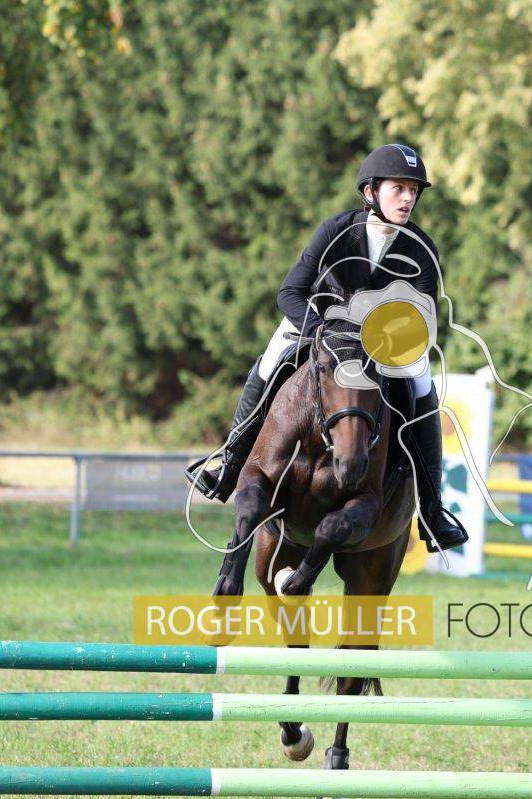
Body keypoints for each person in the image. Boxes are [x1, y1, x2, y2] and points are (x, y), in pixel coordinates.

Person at [190, 143, 467, 552]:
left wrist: (385, 340)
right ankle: (229, 466)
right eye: (398, 188)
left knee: (423, 385)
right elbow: (290, 292)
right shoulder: (337, 230)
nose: (408, 198)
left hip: (380, 343)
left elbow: (422, 316)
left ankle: (432, 509)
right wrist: (319, 330)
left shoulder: (421, 247)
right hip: (318, 325)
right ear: (370, 191)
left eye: (413, 190)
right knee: (268, 364)